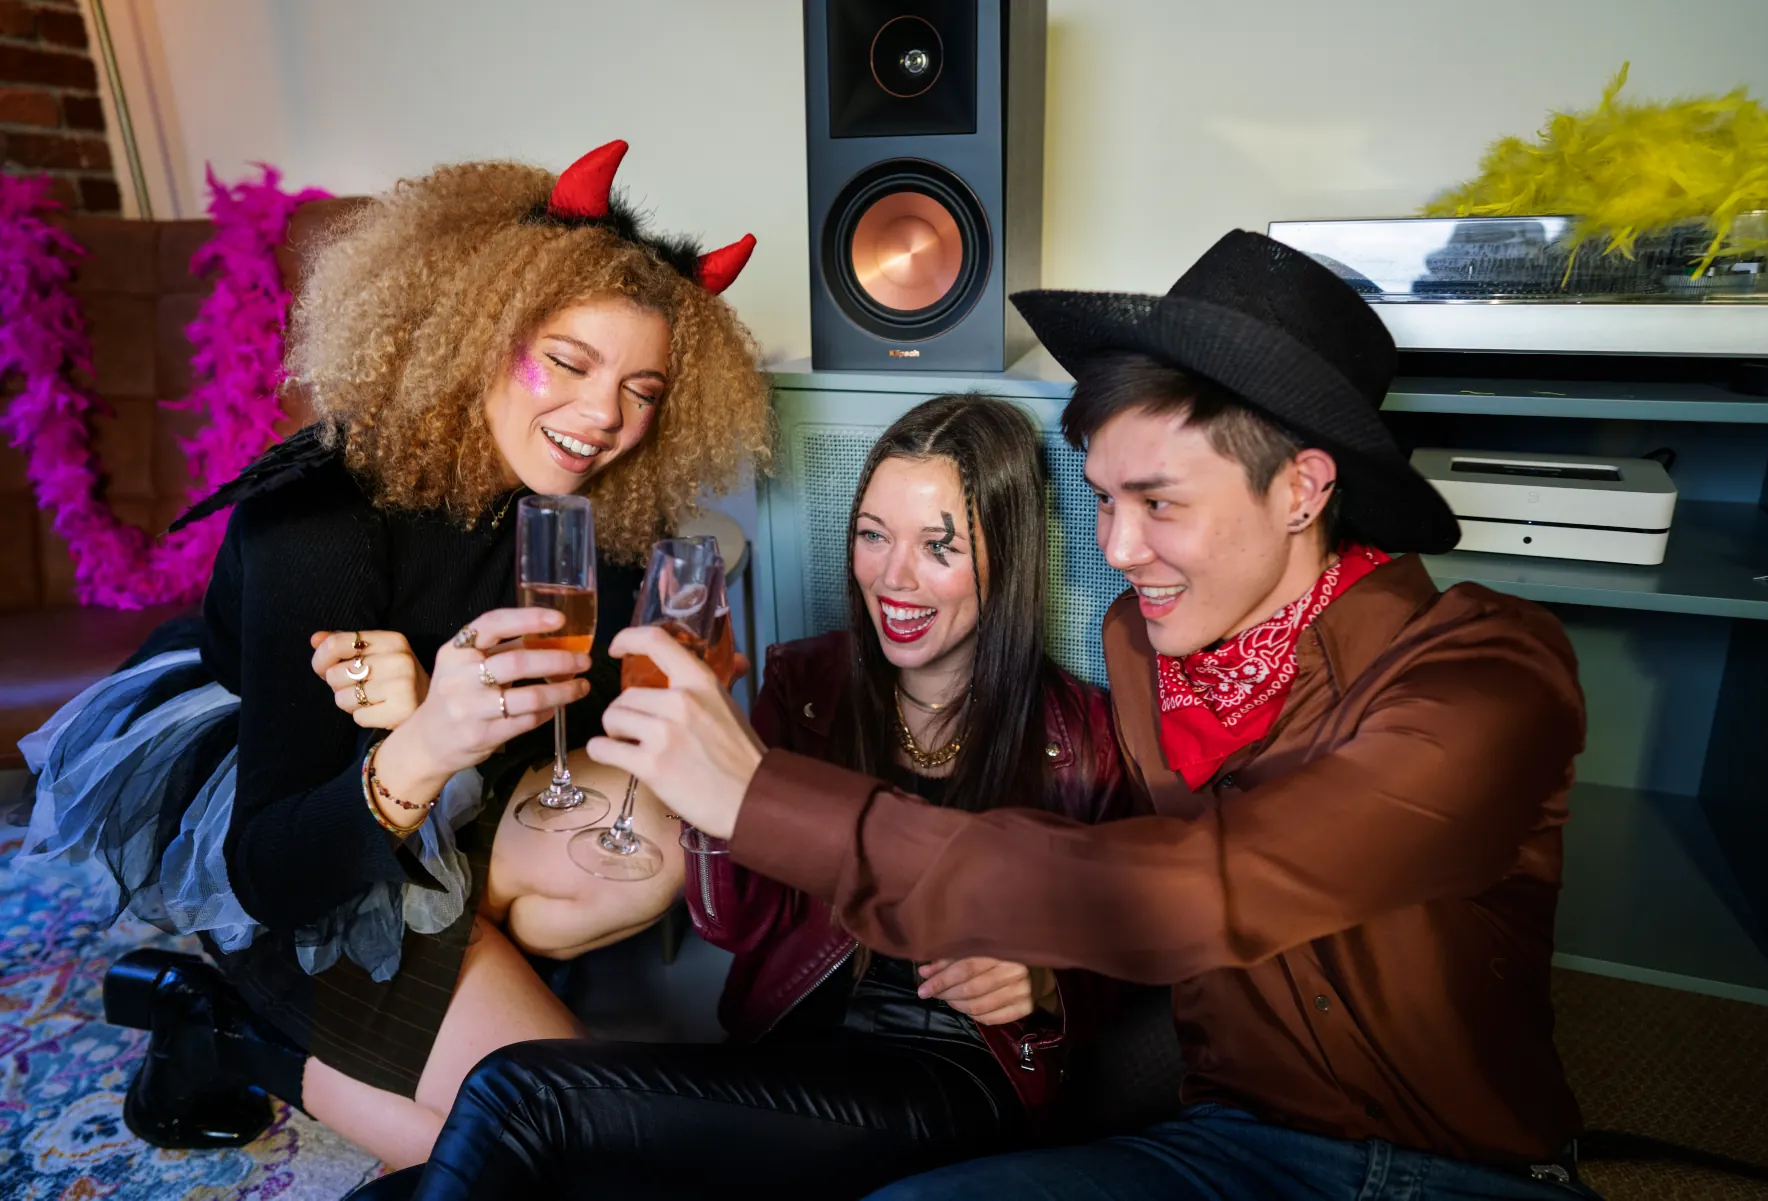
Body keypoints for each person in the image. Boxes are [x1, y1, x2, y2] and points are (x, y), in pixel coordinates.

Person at [588, 232, 1600, 1200]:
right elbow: (1088, 879)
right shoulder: (1140, 647)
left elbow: (1198, 889)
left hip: (1462, 1168)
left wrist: (765, 796)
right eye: (1104, 500)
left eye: (1158, 504)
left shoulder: (1490, 673)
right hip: (1223, 1145)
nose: (1116, 546)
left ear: (1302, 488)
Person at [16, 140, 770, 1169]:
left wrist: (679, 697)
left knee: (649, 849)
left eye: (644, 388)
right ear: (477, 333)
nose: (606, 418)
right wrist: (419, 740)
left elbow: (581, 716)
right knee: (557, 1150)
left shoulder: (597, 511)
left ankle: (438, 965)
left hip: (451, 782)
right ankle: (236, 1022)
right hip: (291, 811)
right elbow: (273, 870)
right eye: (568, 360)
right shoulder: (316, 522)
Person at [384, 394, 1131, 1201]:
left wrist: (1049, 983)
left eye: (938, 546)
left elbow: (1145, 936)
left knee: (519, 1094)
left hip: (955, 1078)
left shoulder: (1083, 736)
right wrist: (712, 778)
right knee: (500, 1163)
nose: (893, 576)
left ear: (1007, 555)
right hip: (794, 1058)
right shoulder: (809, 685)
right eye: (872, 536)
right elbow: (738, 922)